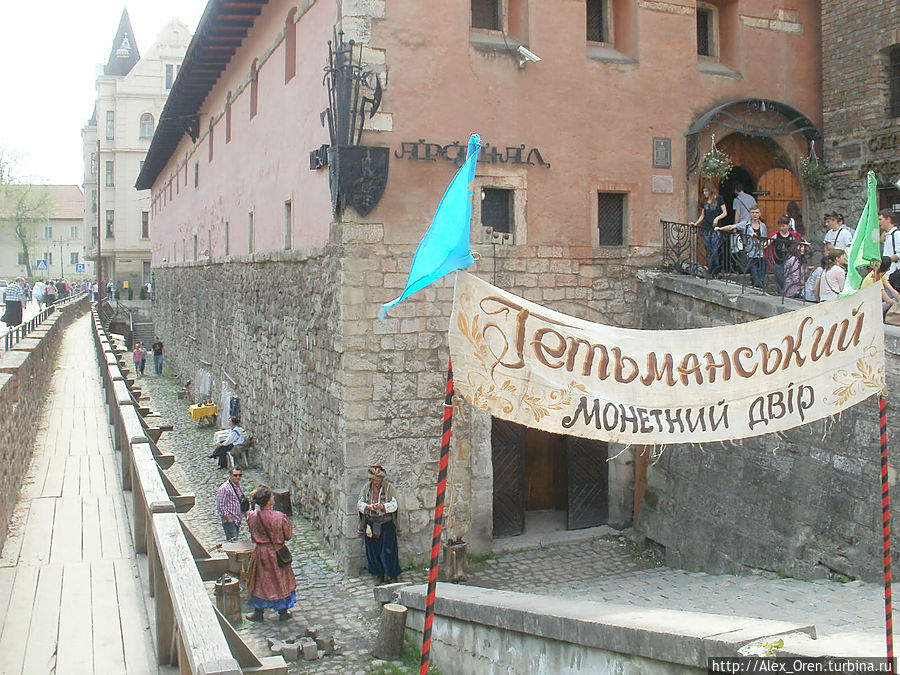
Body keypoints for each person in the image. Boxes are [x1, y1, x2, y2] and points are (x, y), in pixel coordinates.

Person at [245, 484, 296, 622]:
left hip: (261, 553)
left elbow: (252, 531)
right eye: (272, 496)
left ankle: (258, 612)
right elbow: (288, 535)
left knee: (260, 581)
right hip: (276, 553)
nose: (274, 497)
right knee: (280, 581)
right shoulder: (279, 517)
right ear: (268, 500)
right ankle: (283, 611)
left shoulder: (252, 517)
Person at [357, 465, 402, 584]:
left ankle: (392, 575)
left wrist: (383, 506)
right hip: (371, 525)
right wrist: (368, 507)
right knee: (373, 551)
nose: (375, 482)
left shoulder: (389, 488)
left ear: (381, 480)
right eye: (373, 480)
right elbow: (360, 503)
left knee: (388, 551)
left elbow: (395, 504)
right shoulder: (367, 488)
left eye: (377, 480)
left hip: (386, 524)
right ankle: (379, 574)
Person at [719, 206, 767, 288]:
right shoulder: (746, 224)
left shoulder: (763, 226)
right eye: (753, 213)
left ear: (760, 214)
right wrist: (720, 228)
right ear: (750, 214)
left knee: (761, 279)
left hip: (761, 255)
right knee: (755, 279)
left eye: (756, 212)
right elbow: (733, 226)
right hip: (750, 255)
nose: (754, 215)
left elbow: (764, 239)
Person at [692, 182, 727, 278]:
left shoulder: (719, 199)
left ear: (710, 190)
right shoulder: (704, 202)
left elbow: (725, 213)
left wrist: (717, 218)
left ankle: (715, 272)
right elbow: (702, 215)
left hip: (715, 229)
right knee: (708, 251)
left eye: (706, 191)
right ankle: (711, 272)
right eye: (703, 191)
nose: (704, 193)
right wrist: (695, 224)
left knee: (714, 250)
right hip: (705, 228)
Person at [769, 216, 800, 294]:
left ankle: (789, 292)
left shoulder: (792, 236)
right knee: (779, 278)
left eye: (784, 226)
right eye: (780, 226)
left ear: (788, 225)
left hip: (789, 261)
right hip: (778, 261)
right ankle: (781, 292)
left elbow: (797, 246)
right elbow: (765, 244)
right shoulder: (776, 235)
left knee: (789, 278)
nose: (782, 228)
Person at [215, 468, 246, 541]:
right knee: (233, 542)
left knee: (235, 540)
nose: (238, 477)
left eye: (240, 475)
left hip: (237, 519)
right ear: (230, 475)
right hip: (230, 520)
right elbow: (220, 506)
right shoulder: (224, 488)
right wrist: (229, 519)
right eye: (235, 475)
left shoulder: (239, 486)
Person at [879, 209, 900, 275]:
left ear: (888, 219)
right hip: (887, 274)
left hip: (894, 274)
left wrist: (885, 261)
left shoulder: (897, 234)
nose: (879, 222)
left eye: (880, 219)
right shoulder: (887, 235)